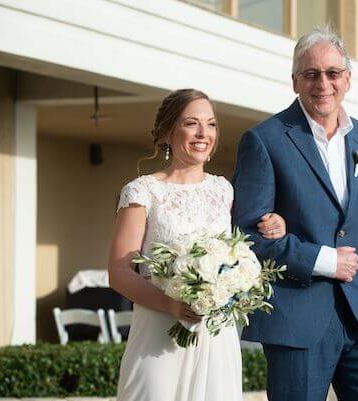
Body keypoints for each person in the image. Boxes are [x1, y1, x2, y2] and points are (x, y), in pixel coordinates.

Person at [232, 27, 358, 401]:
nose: (323, 83)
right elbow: (246, 238)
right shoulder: (265, 140)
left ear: (347, 80)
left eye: (332, 73)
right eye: (311, 74)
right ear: (294, 82)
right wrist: (322, 260)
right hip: (296, 322)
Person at [108, 89, 286, 401]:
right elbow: (119, 272)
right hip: (158, 336)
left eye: (211, 124)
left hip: (216, 338)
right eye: (192, 123)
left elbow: (248, 241)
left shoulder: (224, 190)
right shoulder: (142, 192)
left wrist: (277, 225)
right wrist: (172, 304)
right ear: (167, 131)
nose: (204, 133)